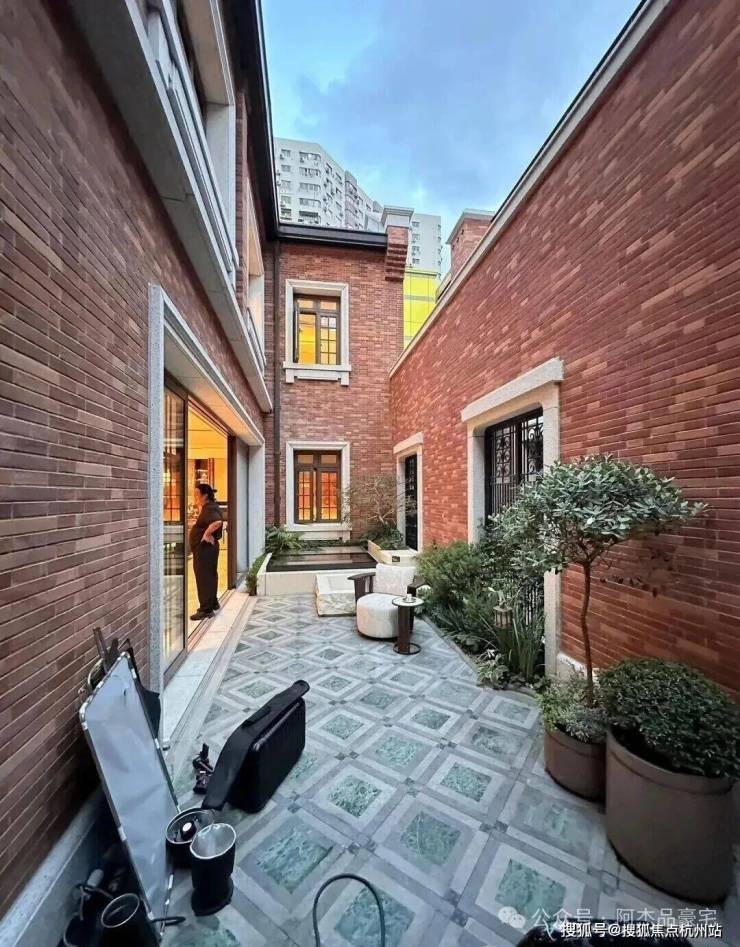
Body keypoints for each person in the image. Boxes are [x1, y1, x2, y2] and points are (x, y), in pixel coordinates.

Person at [189, 483, 223, 621]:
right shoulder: (209, 507)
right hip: (206, 550)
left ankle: (205, 609)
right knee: (210, 576)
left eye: (197, 494)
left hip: (205, 550)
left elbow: (217, 522)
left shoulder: (209, 508)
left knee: (204, 578)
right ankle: (212, 602)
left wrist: (207, 534)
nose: (195, 497)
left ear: (205, 496)